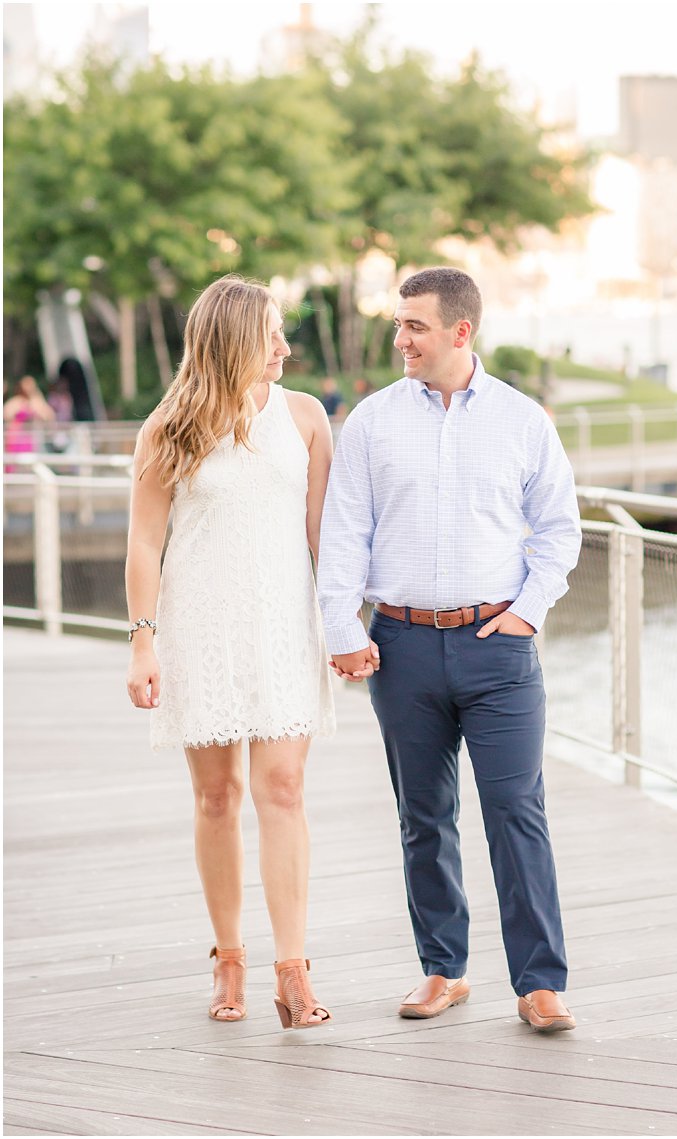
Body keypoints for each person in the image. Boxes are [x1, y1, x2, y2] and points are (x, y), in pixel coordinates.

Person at [317, 267, 582, 1032]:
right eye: (399, 324)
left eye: (414, 326)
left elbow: (559, 529)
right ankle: (443, 969)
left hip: (498, 647)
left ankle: (539, 984)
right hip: (398, 646)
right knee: (423, 817)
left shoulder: (523, 420)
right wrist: (342, 629)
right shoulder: (369, 422)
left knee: (515, 811)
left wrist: (529, 613)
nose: (400, 338)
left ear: (460, 333)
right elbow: (344, 534)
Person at [124, 275, 336, 1029]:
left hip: (283, 622)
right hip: (198, 627)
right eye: (271, 333)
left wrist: (348, 627)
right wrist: (141, 641)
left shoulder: (306, 418)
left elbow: (324, 540)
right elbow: (146, 541)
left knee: (283, 789)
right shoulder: (168, 427)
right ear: (233, 339)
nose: (284, 346)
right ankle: (230, 960)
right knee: (217, 797)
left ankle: (293, 970)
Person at [4, 375, 54, 469]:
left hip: (31, 438)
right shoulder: (16, 401)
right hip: (16, 437)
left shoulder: (36, 402)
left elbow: (48, 415)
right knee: (14, 463)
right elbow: (7, 414)